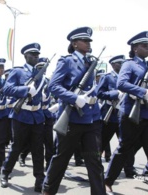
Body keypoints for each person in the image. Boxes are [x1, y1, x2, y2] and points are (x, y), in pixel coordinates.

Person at [42, 27, 106, 195]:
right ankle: (48, 191)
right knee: (61, 159)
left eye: (89, 41)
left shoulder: (91, 62)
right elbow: (53, 86)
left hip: (90, 119)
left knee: (94, 161)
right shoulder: (67, 61)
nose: (88, 43)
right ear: (75, 44)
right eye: (85, 41)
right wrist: (74, 98)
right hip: (71, 119)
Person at [104, 31, 148, 195]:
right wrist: (143, 92)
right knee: (123, 148)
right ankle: (107, 182)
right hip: (131, 113)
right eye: (145, 45)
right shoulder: (129, 64)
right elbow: (121, 83)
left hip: (146, 114)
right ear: (135, 48)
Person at [0, 43, 45, 193]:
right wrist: (25, 89)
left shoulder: (42, 74)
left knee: (38, 150)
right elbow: (6, 89)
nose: (36, 57)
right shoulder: (18, 72)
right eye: (33, 54)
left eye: (37, 55)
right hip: (21, 115)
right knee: (17, 147)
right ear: (25, 56)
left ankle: (40, 180)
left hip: (37, 116)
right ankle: (5, 173)